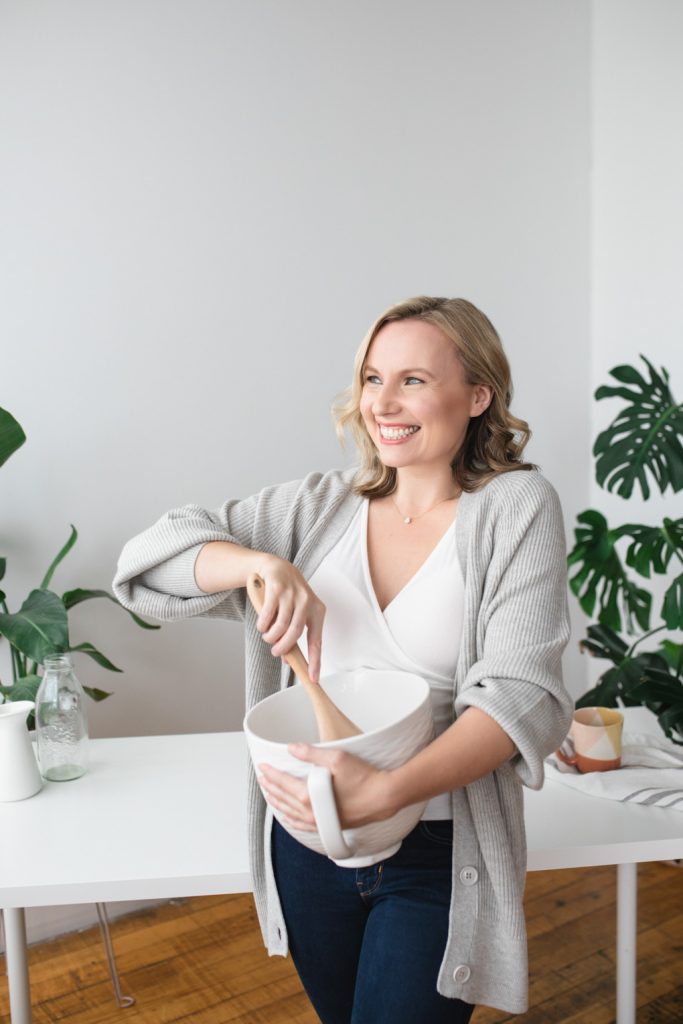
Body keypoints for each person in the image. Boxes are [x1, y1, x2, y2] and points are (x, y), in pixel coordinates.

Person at [113, 295, 573, 1023]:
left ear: (476, 394)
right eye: (370, 378)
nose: (381, 403)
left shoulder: (515, 508)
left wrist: (388, 792)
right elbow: (147, 564)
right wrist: (254, 564)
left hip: (437, 850)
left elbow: (521, 698)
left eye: (413, 380)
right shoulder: (315, 508)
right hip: (303, 845)